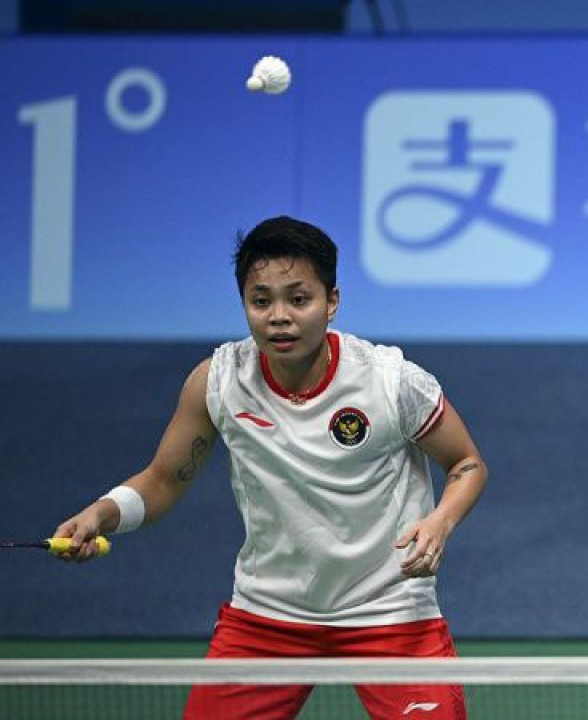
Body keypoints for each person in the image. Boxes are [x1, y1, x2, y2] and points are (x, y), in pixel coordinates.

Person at [52, 216, 487, 720]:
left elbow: (468, 463)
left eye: (298, 299)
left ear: (332, 302)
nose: (279, 316)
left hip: (388, 608)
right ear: (244, 306)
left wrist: (440, 523)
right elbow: (164, 478)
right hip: (269, 614)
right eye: (261, 301)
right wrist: (101, 515)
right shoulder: (218, 381)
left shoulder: (390, 382)